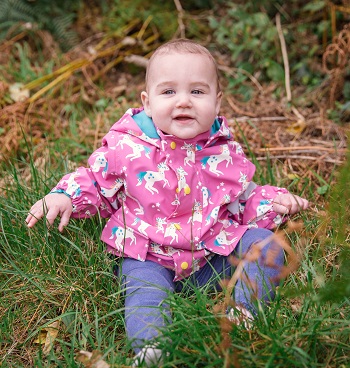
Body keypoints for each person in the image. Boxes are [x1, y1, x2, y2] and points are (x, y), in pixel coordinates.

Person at [26, 39, 308, 366]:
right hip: (149, 255)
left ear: (217, 103)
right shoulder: (128, 148)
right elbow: (96, 180)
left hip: (211, 254)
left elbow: (242, 196)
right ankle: (151, 349)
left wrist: (275, 203)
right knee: (145, 295)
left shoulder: (224, 152)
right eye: (169, 92)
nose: (184, 102)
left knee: (268, 246)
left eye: (198, 92)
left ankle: (244, 312)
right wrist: (65, 196)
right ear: (147, 102)